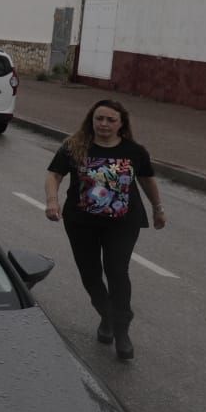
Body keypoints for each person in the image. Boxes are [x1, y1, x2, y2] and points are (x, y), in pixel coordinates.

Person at [44, 99, 165, 361]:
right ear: (91, 120)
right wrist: (52, 201)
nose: (104, 124)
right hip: (80, 221)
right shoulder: (74, 146)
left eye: (111, 120)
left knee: (117, 271)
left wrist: (158, 208)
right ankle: (106, 315)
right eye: (99, 118)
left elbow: (147, 179)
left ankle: (121, 331)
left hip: (123, 221)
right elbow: (54, 174)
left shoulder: (134, 151)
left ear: (121, 124)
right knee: (90, 274)